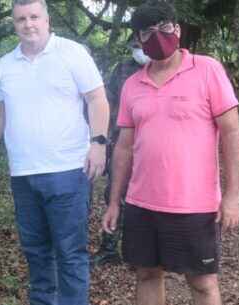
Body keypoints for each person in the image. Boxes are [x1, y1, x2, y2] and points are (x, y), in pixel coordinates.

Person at [101, 2, 239, 305]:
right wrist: (114, 201)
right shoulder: (131, 85)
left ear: (177, 30)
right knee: (147, 275)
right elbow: (124, 147)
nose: (157, 36)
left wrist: (232, 196)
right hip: (142, 204)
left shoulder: (207, 70)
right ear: (138, 40)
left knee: (203, 284)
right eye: (147, 32)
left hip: (195, 205)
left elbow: (231, 132)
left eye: (164, 27)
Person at [0, 0, 110, 303]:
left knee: (70, 253)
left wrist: (98, 143)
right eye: (21, 19)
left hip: (67, 171)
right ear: (14, 23)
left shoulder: (71, 53)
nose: (29, 24)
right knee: (36, 254)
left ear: (47, 19)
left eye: (34, 17)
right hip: (23, 174)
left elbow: (97, 99)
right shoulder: (6, 64)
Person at [91, 34, 150, 267]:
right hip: (120, 143)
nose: (139, 50)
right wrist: (102, 140)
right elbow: (108, 102)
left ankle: (141, 252)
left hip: (150, 148)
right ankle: (109, 248)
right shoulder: (123, 69)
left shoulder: (164, 68)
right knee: (114, 196)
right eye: (135, 46)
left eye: (141, 46)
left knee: (147, 200)